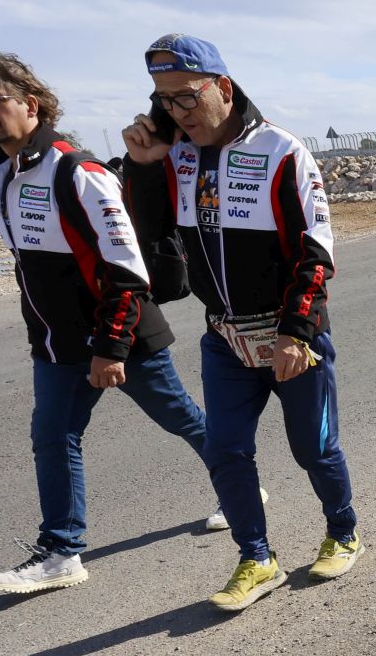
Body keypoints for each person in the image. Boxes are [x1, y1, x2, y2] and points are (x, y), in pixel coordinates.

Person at [0, 51, 217, 595]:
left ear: (30, 104)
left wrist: (111, 347)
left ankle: (240, 488)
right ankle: (61, 552)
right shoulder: (3, 171)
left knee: (181, 418)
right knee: (52, 437)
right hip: (57, 341)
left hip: (116, 336)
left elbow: (126, 269)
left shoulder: (78, 171)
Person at [122, 34, 363, 613]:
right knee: (227, 451)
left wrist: (296, 332)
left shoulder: (282, 150)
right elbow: (143, 235)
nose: (175, 112)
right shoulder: (176, 156)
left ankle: (343, 531)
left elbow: (316, 249)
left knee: (314, 448)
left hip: (289, 334)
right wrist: (144, 166)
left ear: (222, 88)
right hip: (225, 337)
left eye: (185, 98)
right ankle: (257, 557)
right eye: (162, 100)